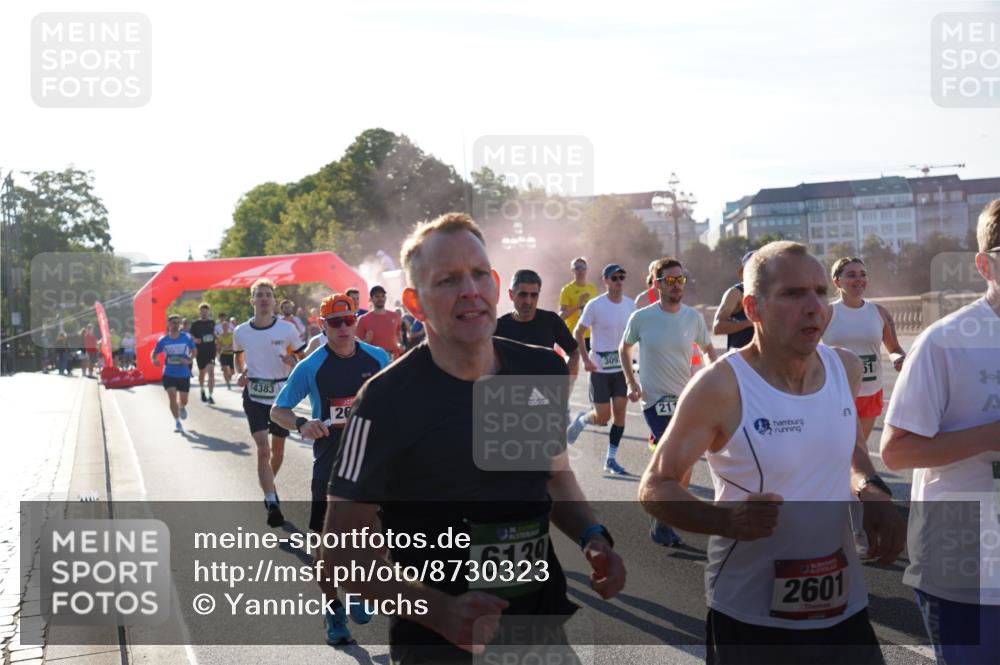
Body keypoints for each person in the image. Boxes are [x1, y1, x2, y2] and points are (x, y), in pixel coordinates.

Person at [319, 212, 625, 664]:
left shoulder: (536, 369)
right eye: (447, 280)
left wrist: (593, 536)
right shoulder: (385, 401)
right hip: (439, 645)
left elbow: (553, 478)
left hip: (536, 630)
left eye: (479, 274)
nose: (470, 290)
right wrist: (440, 611)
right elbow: (339, 557)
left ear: (495, 284)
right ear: (414, 302)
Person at [638, 241, 904, 665]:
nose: (814, 306)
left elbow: (850, 445)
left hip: (844, 605)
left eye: (820, 291)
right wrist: (723, 519)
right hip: (752, 617)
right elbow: (655, 486)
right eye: (793, 294)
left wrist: (871, 490)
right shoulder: (720, 386)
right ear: (753, 307)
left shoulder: (845, 368)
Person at [880, 200, 1000, 664]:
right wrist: (991, 436)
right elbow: (895, 452)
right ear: (984, 265)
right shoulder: (945, 341)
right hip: (965, 574)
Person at [271, 293, 389, 645]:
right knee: (327, 550)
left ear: (357, 322)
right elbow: (278, 411)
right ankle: (333, 610)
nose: (342, 328)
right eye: (334, 322)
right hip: (331, 469)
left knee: (379, 541)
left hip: (372, 467)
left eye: (348, 320)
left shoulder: (378, 358)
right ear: (322, 326)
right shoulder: (310, 366)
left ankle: (357, 587)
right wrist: (303, 423)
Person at [620, 256, 717, 547]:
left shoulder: (692, 317)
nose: (677, 286)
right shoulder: (642, 317)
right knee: (676, 460)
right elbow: (624, 348)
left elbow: (710, 350)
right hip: (654, 400)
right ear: (657, 284)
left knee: (683, 466)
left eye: (681, 280)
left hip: (685, 399)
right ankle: (664, 521)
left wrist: (715, 376)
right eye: (670, 281)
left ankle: (663, 516)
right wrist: (631, 381)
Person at [823, 256, 906, 556]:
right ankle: (855, 532)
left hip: (870, 393)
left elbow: (893, 348)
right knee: (847, 457)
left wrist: (898, 358)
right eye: (850, 275)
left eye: (862, 274)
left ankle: (851, 526)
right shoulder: (826, 313)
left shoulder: (878, 312)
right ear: (837, 282)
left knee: (852, 459)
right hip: (835, 395)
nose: (858, 279)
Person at [233, 278, 307, 528]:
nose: (264, 299)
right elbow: (238, 357)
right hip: (254, 396)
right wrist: (239, 373)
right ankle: (272, 500)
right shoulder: (241, 331)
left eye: (268, 295)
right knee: (263, 449)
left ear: (274, 300)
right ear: (252, 300)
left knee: (278, 451)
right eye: (260, 294)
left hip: (281, 397)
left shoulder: (286, 329)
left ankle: (268, 487)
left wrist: (293, 363)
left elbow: (302, 357)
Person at [566, 263, 635, 475]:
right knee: (603, 417)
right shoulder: (595, 305)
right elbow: (578, 332)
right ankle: (583, 419)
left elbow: (637, 336)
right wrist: (586, 359)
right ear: (605, 281)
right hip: (600, 370)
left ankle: (611, 459)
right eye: (614, 278)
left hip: (622, 370)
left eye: (622, 277)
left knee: (621, 414)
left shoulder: (630, 305)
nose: (619, 281)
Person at [495, 269, 579, 378]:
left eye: (534, 295)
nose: (528, 301)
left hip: (544, 393)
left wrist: (564, 383)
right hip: (510, 393)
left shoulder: (551, 321)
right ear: (511, 295)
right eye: (523, 295)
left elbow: (574, 353)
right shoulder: (498, 327)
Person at [151, 315, 197, 433]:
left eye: (177, 323)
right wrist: (154, 359)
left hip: (183, 374)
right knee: (172, 397)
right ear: (169, 325)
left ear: (180, 324)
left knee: (184, 400)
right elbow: (154, 353)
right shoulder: (163, 340)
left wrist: (189, 360)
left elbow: (194, 351)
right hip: (169, 373)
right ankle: (177, 422)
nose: (175, 325)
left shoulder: (186, 337)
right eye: (173, 323)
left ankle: (181, 407)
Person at [713, 250, 757, 350]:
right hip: (740, 358)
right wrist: (748, 323)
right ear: (744, 272)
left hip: (765, 359)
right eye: (752, 268)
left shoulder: (770, 292)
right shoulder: (735, 293)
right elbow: (717, 327)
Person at [558, 257, 597, 353]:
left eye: (583, 267)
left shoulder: (592, 288)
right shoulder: (567, 290)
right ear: (572, 270)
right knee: (574, 366)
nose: (580, 270)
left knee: (593, 366)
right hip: (573, 335)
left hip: (591, 335)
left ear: (586, 269)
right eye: (577, 267)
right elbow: (561, 316)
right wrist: (579, 305)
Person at [355, 285, 403, 359]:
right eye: (377, 296)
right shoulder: (363, 319)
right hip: (374, 360)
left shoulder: (395, 316)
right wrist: (366, 341)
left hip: (394, 359)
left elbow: (399, 334)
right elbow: (357, 345)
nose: (380, 299)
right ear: (371, 299)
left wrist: (400, 344)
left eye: (382, 296)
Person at [190, 303, 218, 404]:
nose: (204, 313)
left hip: (211, 351)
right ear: (200, 312)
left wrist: (218, 341)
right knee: (202, 373)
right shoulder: (195, 324)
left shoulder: (212, 323)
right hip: (200, 352)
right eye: (202, 312)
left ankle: (210, 395)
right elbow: (190, 336)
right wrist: (194, 339)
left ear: (208, 312)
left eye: (206, 311)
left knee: (211, 372)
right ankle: (202, 390)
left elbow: (216, 334)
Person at [215, 318, 235, 389]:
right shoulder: (220, 336)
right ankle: (227, 383)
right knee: (224, 369)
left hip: (231, 355)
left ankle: (229, 376)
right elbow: (218, 345)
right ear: (222, 327)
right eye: (224, 326)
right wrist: (219, 349)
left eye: (226, 326)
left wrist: (227, 347)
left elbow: (233, 345)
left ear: (228, 327)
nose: (225, 327)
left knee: (232, 372)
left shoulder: (232, 335)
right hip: (223, 354)